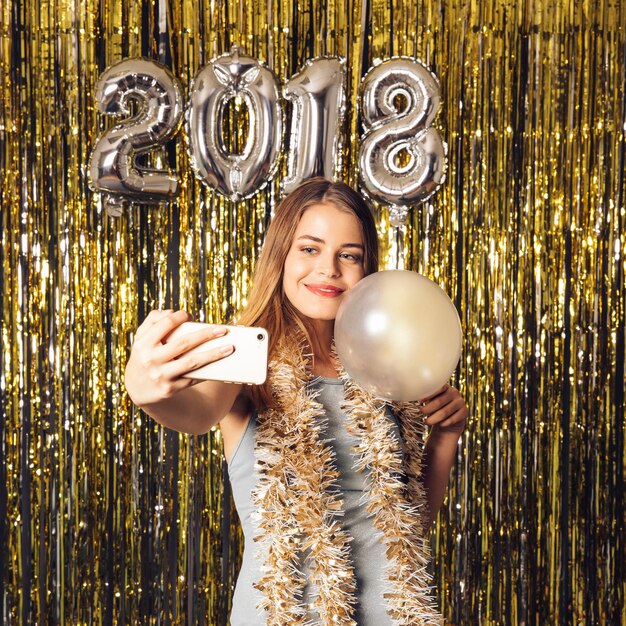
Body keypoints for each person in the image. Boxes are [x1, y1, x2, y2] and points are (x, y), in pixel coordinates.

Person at [124, 177, 467, 626]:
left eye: (349, 255)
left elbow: (406, 529)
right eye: (309, 249)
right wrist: (145, 390)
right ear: (281, 258)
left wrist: (445, 435)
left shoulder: (387, 371)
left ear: (366, 270)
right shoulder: (248, 355)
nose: (328, 269)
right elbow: (196, 412)